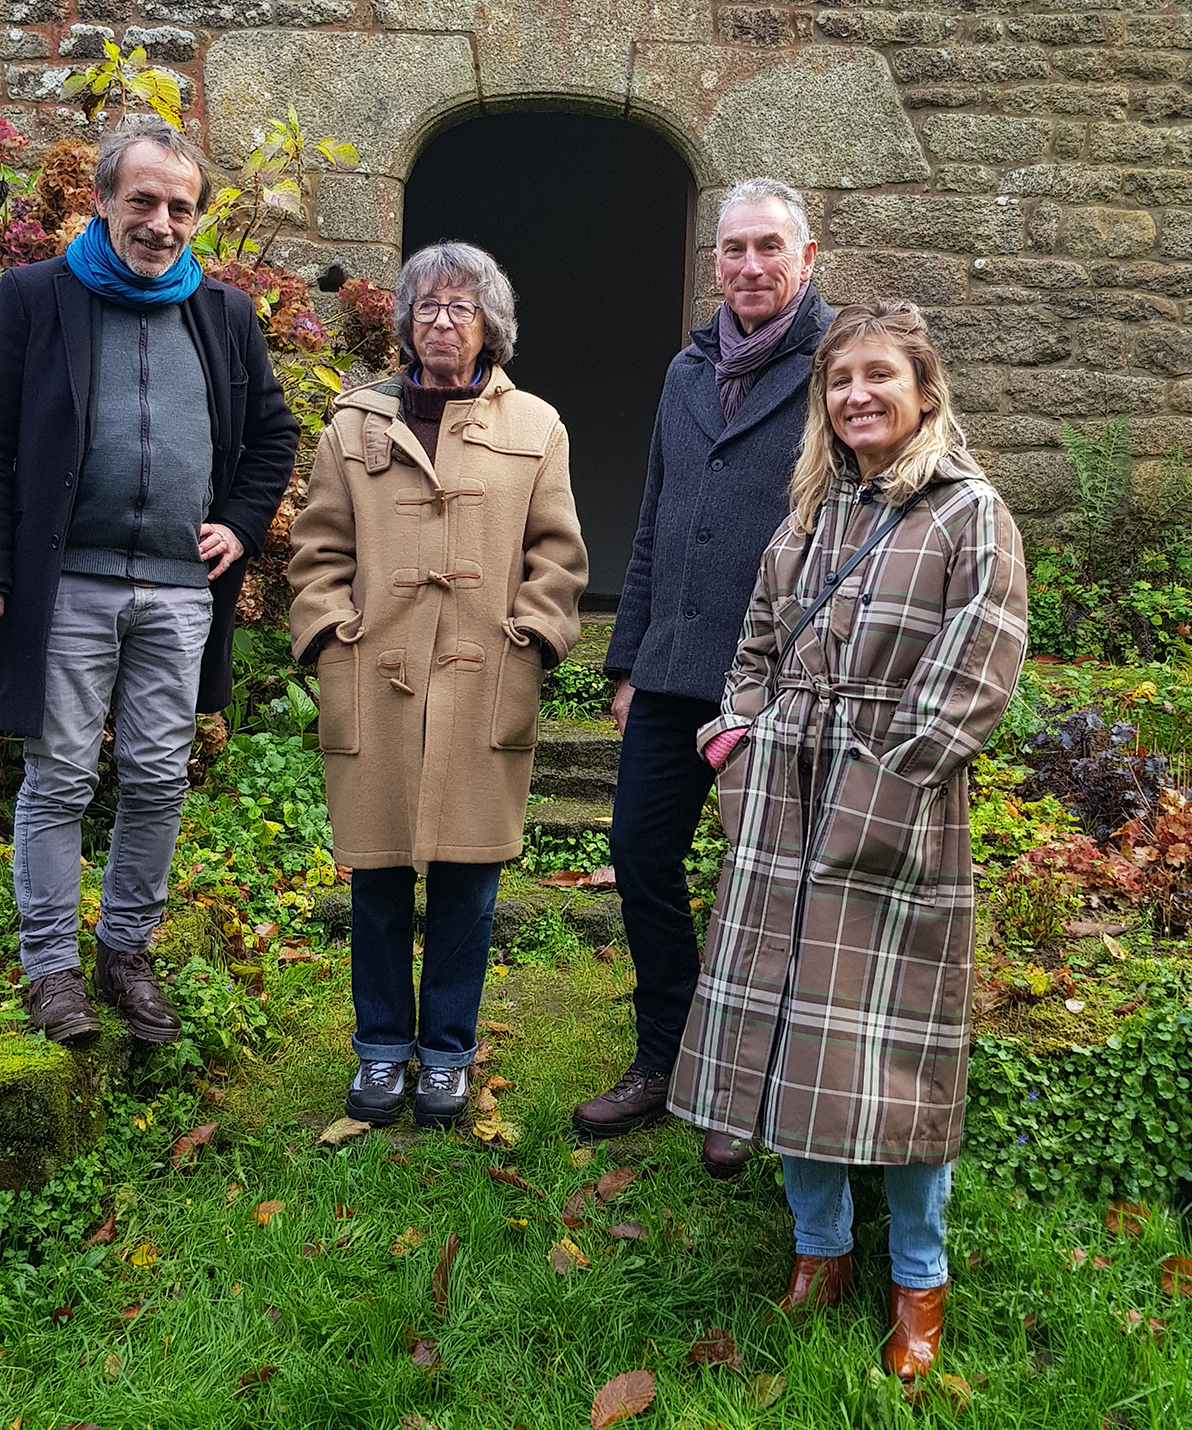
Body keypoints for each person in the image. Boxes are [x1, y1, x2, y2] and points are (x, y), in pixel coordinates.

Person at [668, 299, 1028, 1381]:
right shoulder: (808, 520)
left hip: (899, 825)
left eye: (880, 376)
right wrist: (738, 742)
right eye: (839, 381)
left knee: (902, 1061)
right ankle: (818, 1254)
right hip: (782, 811)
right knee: (796, 1047)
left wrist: (871, 794)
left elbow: (975, 680)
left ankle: (919, 1280)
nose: (857, 395)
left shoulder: (971, 515)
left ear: (923, 390)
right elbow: (755, 648)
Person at [0, 120, 299, 1045]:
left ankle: (125, 950)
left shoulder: (221, 314)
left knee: (155, 778)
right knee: (59, 776)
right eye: (142, 201)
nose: (161, 223)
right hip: (68, 582)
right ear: (102, 202)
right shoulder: (35, 297)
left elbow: (273, 436)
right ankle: (51, 970)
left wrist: (244, 520)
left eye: (180, 207)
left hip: (180, 592)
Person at [288, 241, 587, 1129]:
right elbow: (318, 548)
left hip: (481, 680)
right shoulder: (352, 424)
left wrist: (532, 636)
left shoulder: (535, 425)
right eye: (426, 306)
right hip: (374, 678)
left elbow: (557, 553)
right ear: (405, 322)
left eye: (461, 307)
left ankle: (448, 1054)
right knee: (376, 879)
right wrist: (328, 639)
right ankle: (381, 1053)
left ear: (491, 323)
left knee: (467, 881)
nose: (442, 321)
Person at [572, 178, 832, 1156]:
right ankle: (665, 1054)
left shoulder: (832, 370)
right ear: (713, 261)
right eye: (733, 249)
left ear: (806, 261)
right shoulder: (686, 372)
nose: (750, 265)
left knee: (761, 882)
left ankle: (741, 1085)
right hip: (675, 672)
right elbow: (653, 521)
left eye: (770, 247)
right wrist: (629, 658)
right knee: (641, 856)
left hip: (778, 681)